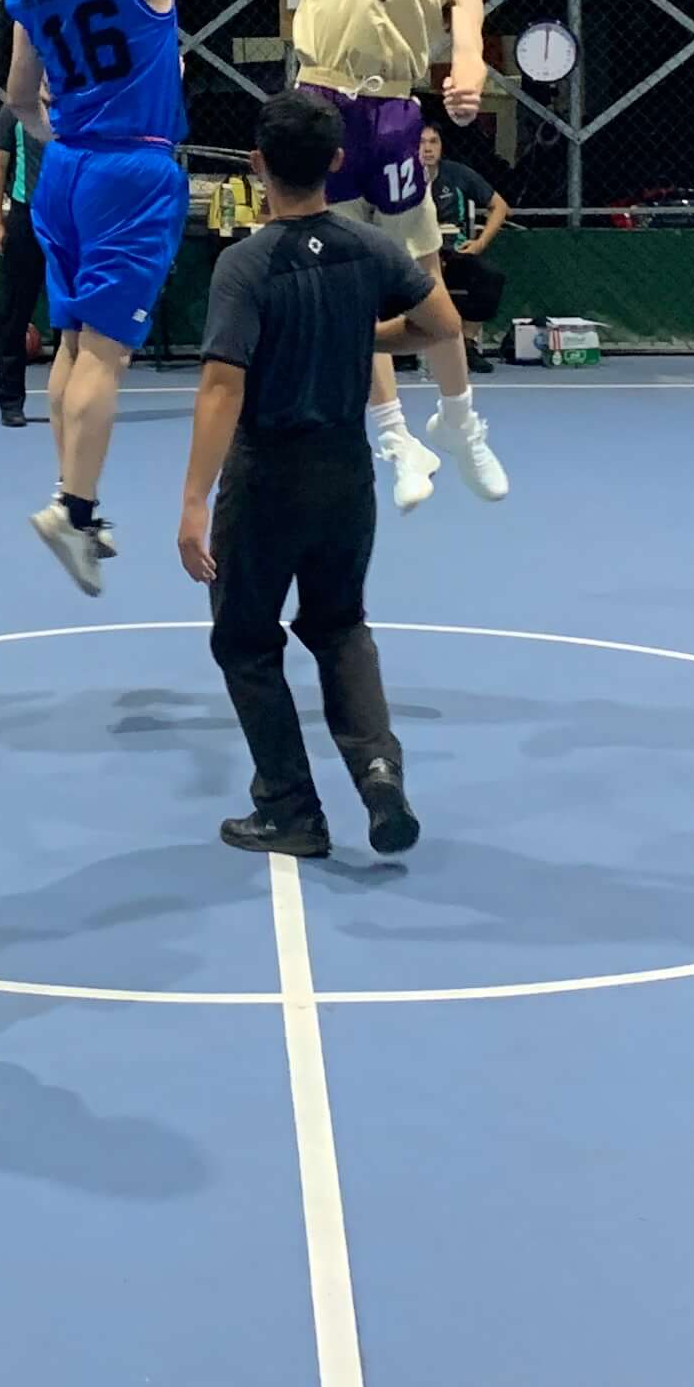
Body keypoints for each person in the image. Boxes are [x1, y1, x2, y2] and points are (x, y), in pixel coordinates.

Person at [3, 0, 255, 593]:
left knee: (72, 341)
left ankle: (70, 496)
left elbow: (20, 101)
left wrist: (67, 133)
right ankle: (72, 510)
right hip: (130, 170)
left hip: (64, 169)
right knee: (105, 351)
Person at [174, 91, 466, 861]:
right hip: (346, 475)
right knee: (340, 626)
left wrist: (194, 501)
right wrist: (363, 336)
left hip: (267, 478)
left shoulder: (244, 264)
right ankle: (378, 770)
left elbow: (221, 386)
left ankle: (290, 808)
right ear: (338, 162)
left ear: (256, 165)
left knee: (245, 639)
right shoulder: (370, 247)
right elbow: (442, 325)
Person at [253, 0, 509, 507]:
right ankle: (398, 440)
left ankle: (460, 421)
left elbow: (466, 43)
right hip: (318, 103)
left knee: (425, 282)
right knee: (341, 282)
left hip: (392, 115)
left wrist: (465, 83)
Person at [0, 103, 47, 429]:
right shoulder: (13, 112)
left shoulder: (75, 103)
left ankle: (71, 400)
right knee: (14, 312)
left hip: (68, 219)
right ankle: (10, 402)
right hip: (25, 216)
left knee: (72, 314)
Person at [433, 148, 513, 346]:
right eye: (421, 142)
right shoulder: (397, 176)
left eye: (433, 141)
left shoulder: (457, 173)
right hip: (411, 256)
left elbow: (500, 206)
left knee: (490, 276)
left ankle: (468, 343)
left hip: (453, 252)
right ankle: (402, 352)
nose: (427, 148)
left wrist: (480, 243)